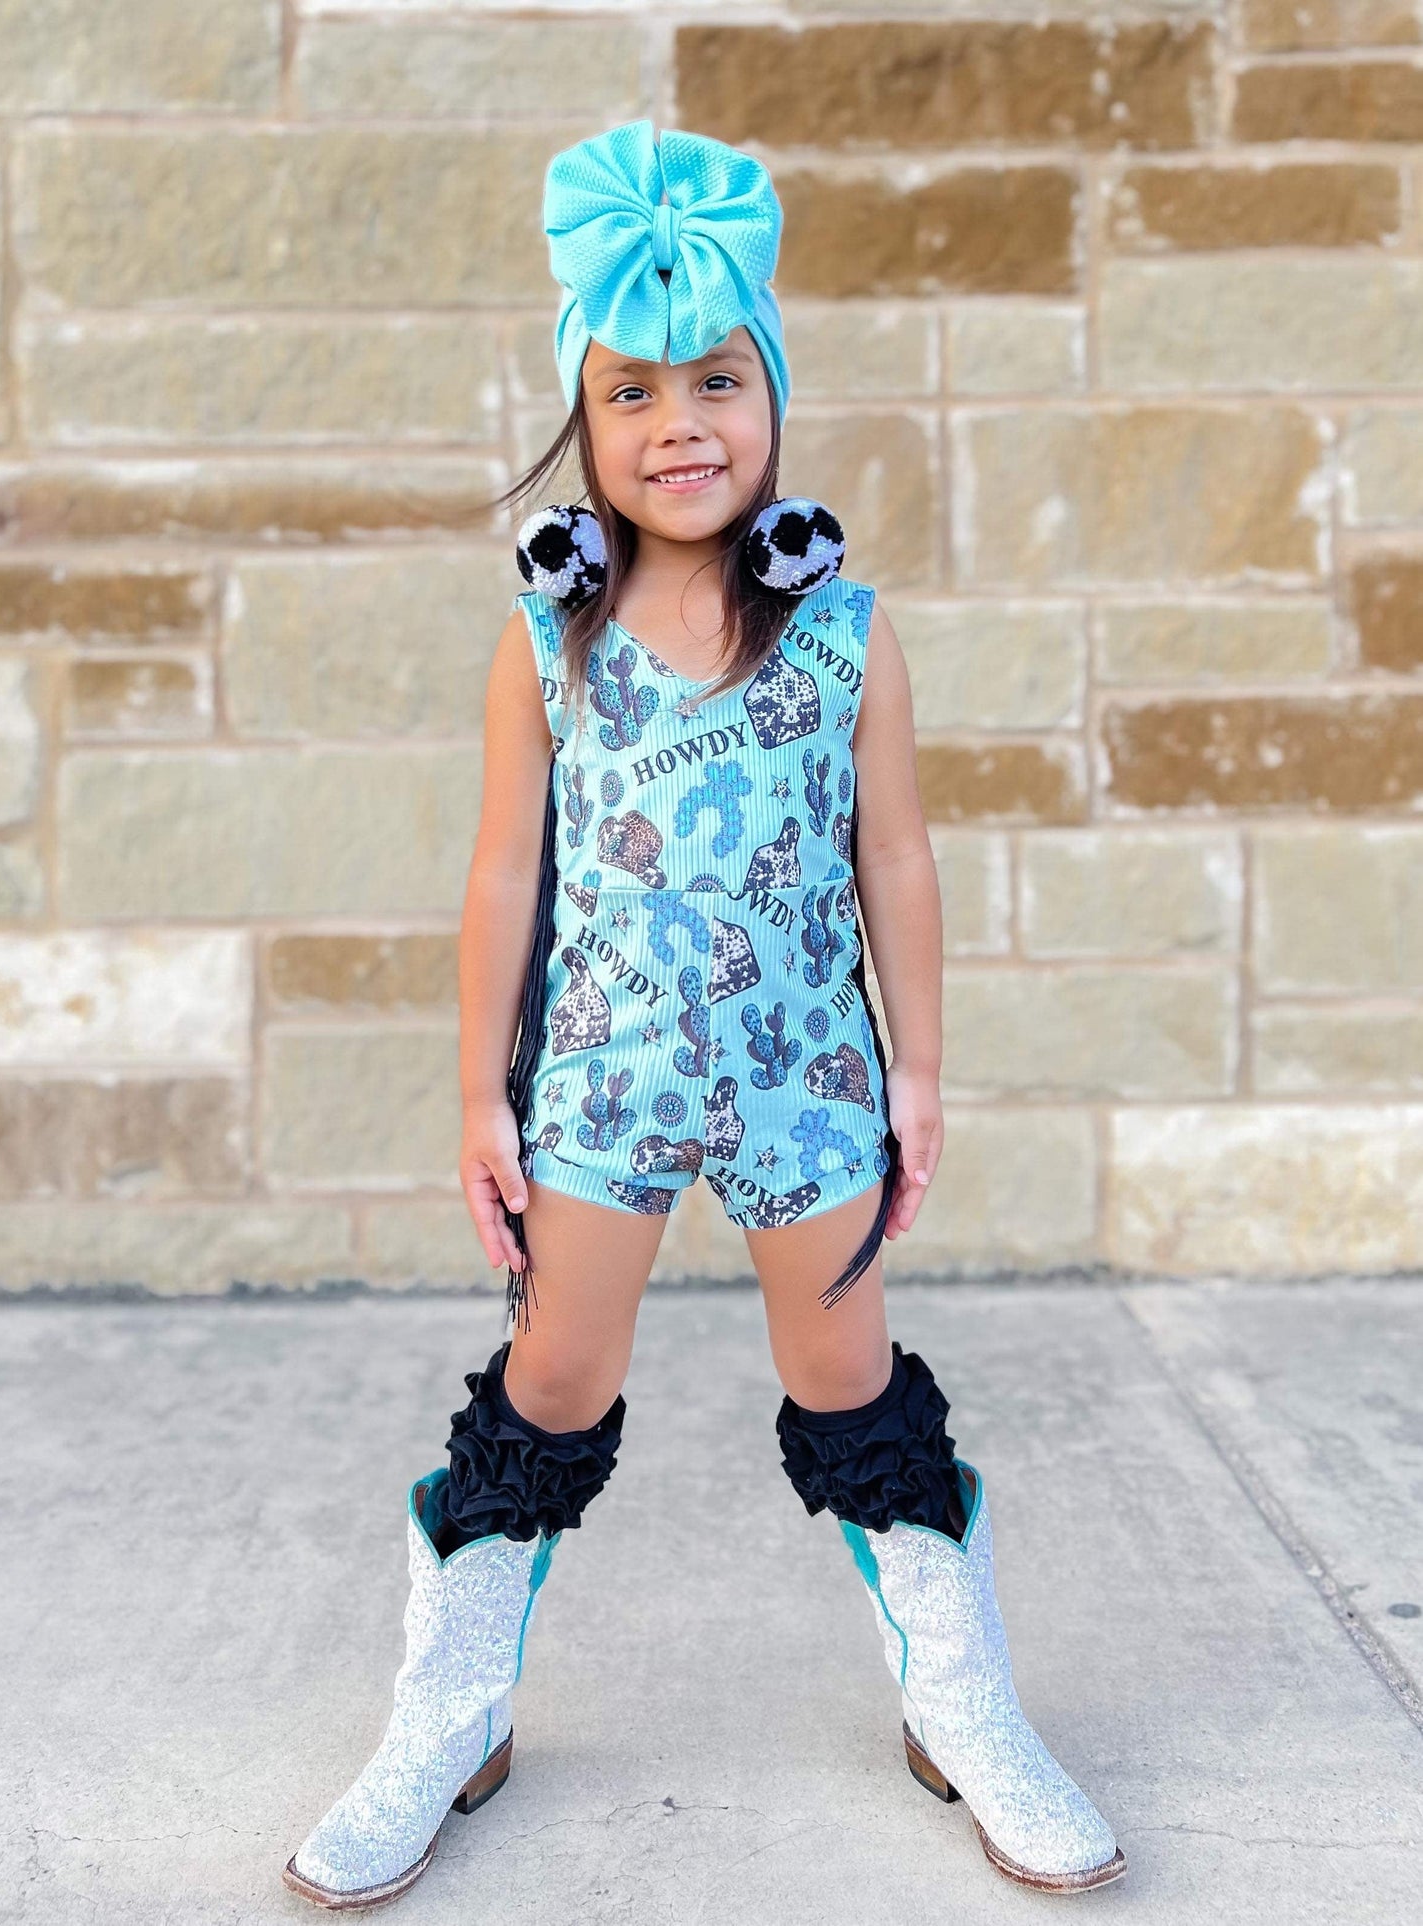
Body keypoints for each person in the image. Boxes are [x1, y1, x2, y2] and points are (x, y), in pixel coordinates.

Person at [283, 118, 1125, 1910]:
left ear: (772, 398)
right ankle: (451, 1702)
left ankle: (960, 1695)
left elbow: (895, 855)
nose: (682, 423)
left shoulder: (845, 632)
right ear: (584, 422)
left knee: (846, 1377)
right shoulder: (545, 640)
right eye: (635, 390)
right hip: (601, 1081)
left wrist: (918, 1068)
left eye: (719, 380)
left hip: (806, 1079)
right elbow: (502, 876)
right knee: (554, 1378)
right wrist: (477, 1096)